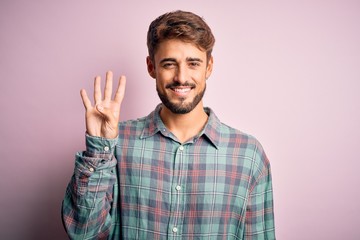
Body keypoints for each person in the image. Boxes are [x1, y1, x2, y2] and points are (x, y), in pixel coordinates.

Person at [62, 10, 276, 239]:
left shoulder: (249, 155)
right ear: (151, 67)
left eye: (193, 63)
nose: (181, 77)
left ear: (209, 66)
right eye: (169, 64)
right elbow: (83, 233)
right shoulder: (117, 143)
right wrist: (100, 148)